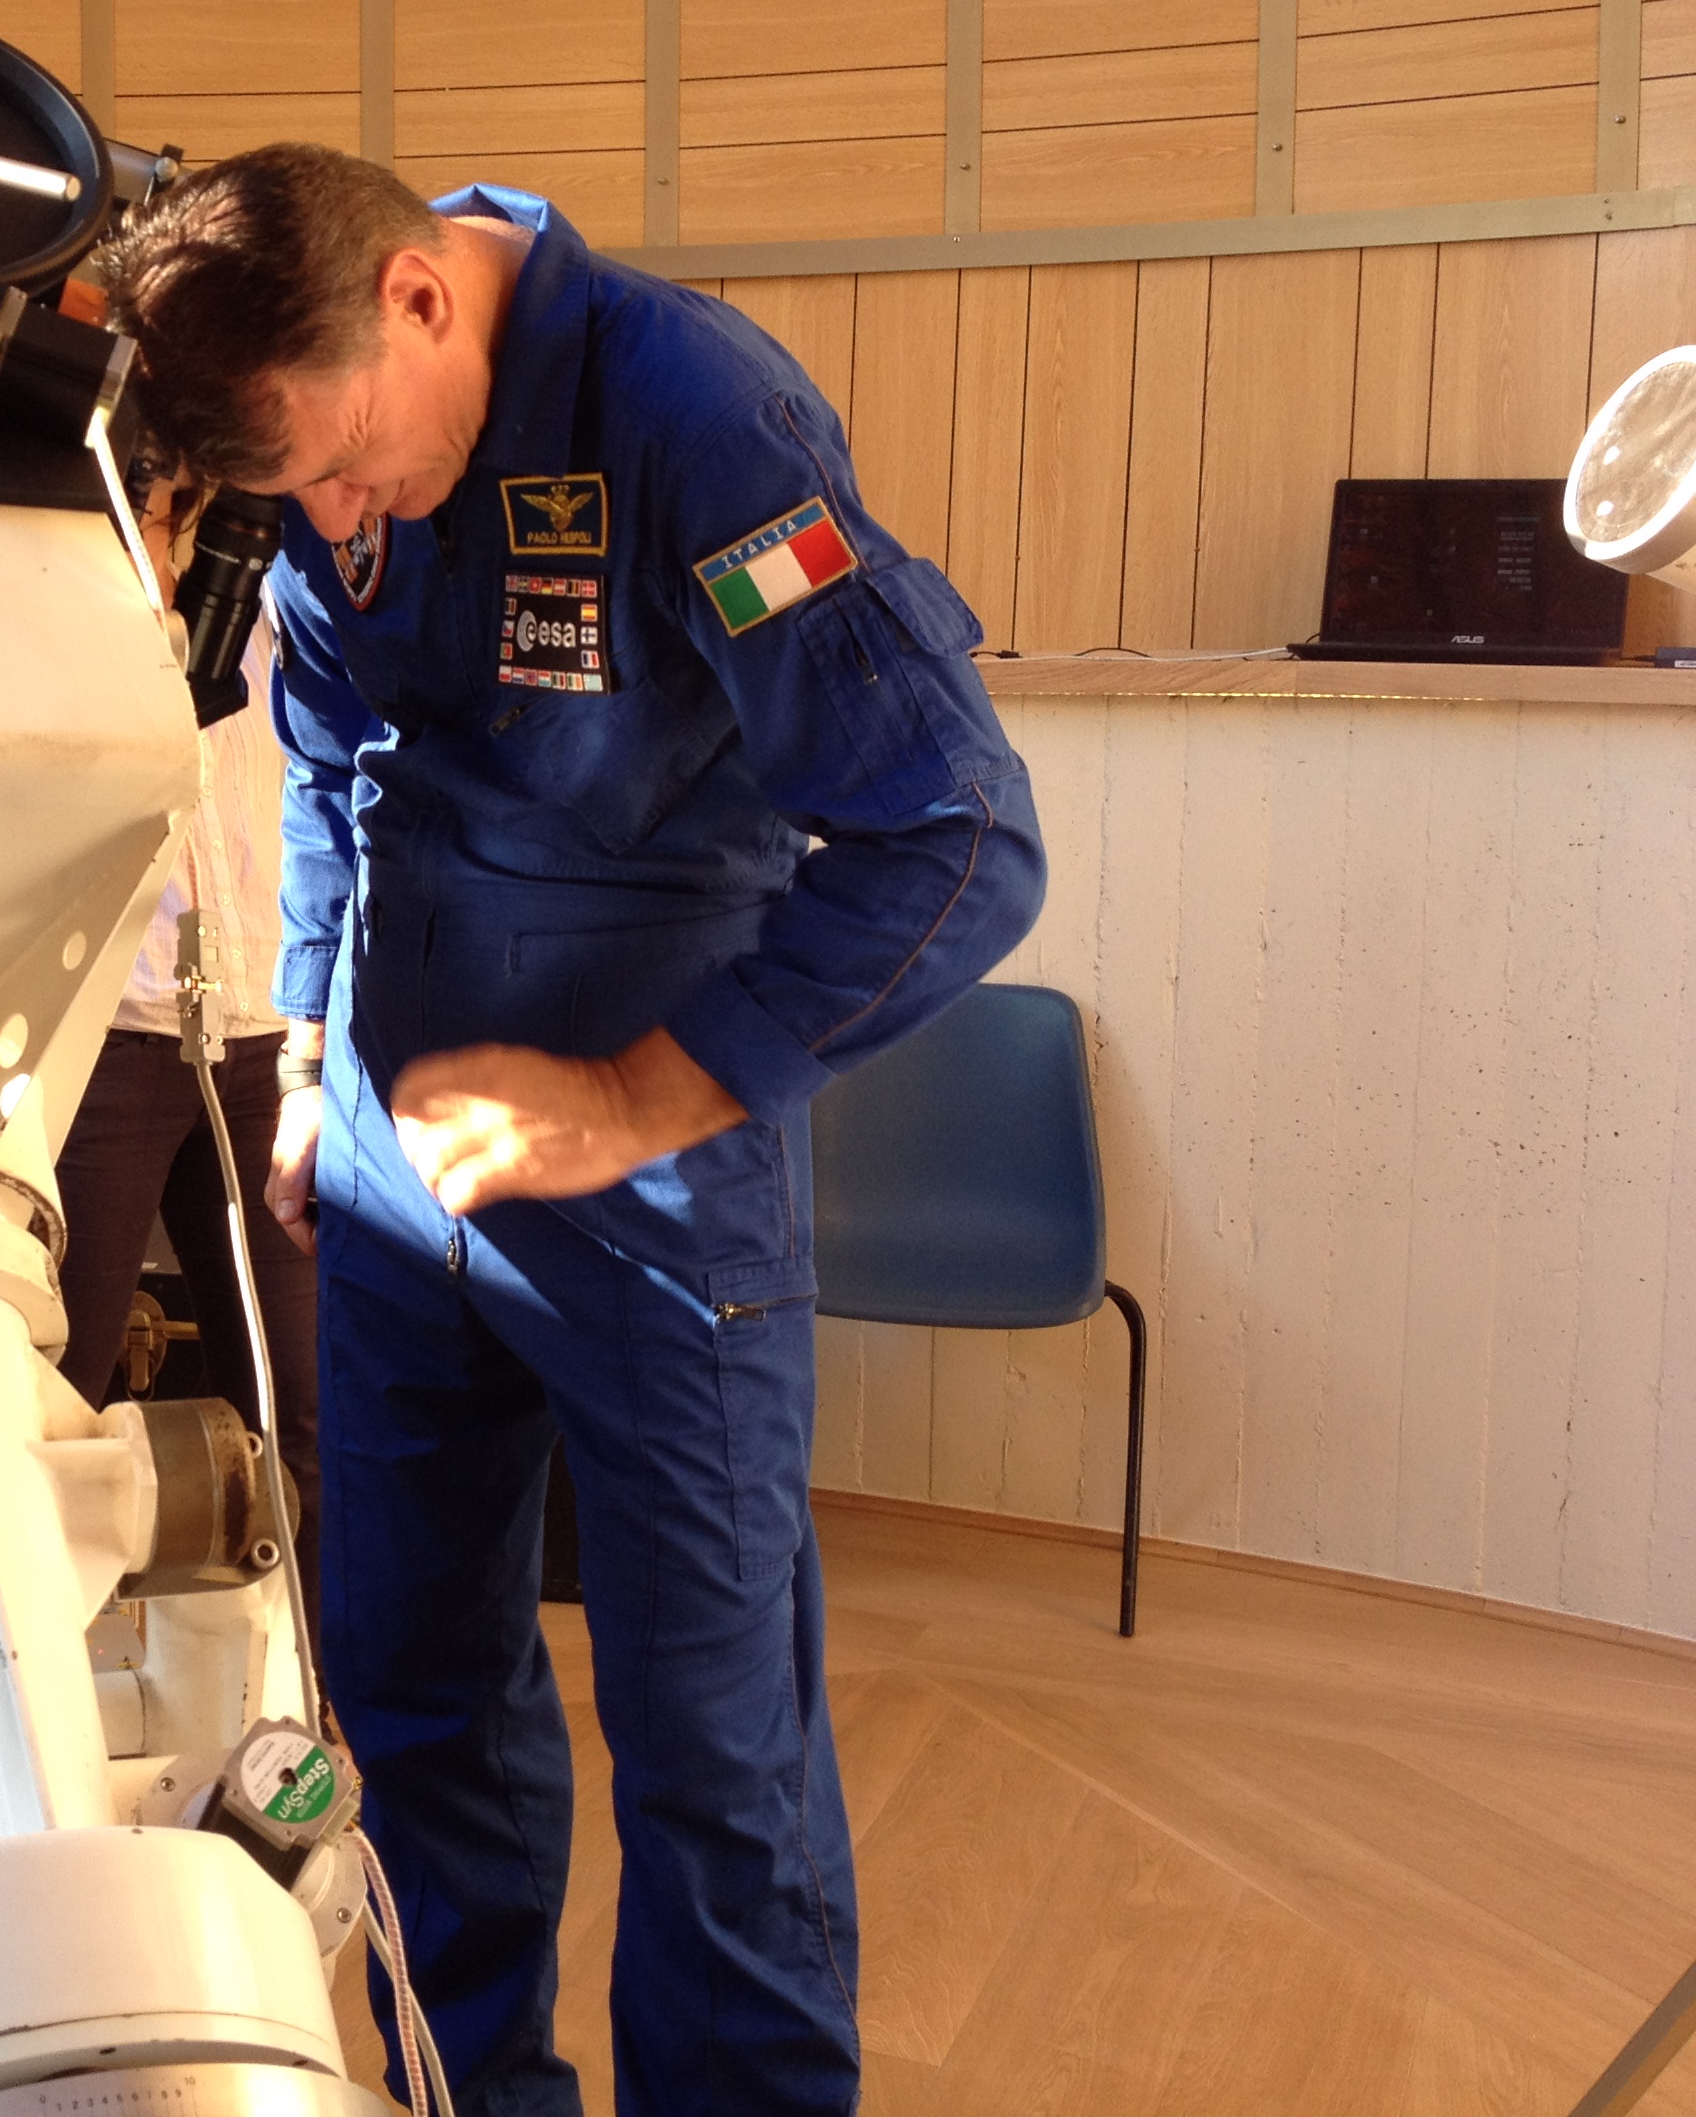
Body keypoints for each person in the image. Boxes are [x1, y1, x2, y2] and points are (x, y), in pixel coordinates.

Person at [100, 146, 1044, 2117]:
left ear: (424, 300)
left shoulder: (699, 414)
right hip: (388, 1156)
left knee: (713, 1744)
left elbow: (955, 838)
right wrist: (314, 1054)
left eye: (351, 472)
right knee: (412, 1702)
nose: (340, 523)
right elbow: (341, 764)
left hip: (654, 1179)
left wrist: (634, 1102)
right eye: (305, 504)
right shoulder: (335, 452)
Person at [51, 465, 322, 1621]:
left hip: (268, 1030)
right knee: (59, 1383)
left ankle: (310, 1681)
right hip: (104, 1032)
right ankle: (43, 1680)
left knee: (303, 1395)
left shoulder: (287, 568)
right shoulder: (62, 578)